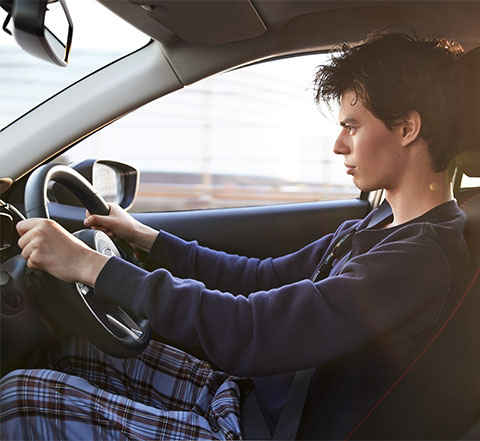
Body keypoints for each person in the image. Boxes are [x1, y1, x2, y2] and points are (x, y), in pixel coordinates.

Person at [0, 32, 472, 440]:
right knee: (71, 350)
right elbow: (262, 278)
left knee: (20, 399)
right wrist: (147, 238)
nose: (338, 144)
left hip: (258, 430)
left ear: (407, 128)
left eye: (352, 126)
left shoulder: (418, 261)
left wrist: (92, 266)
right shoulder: (378, 226)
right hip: (246, 396)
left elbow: (256, 330)